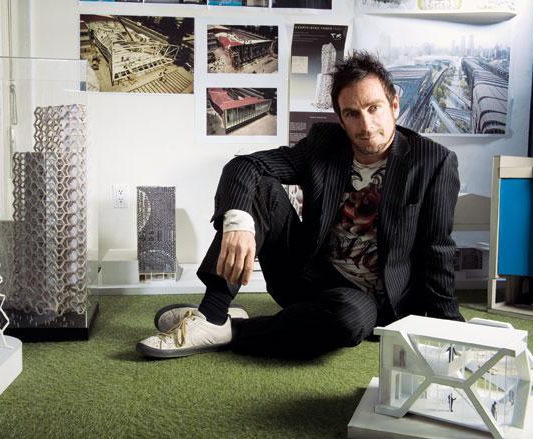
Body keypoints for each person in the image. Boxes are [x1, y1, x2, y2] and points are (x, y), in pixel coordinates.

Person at [136, 51, 464, 359]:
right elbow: (246, 166)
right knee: (260, 187)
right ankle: (212, 313)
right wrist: (237, 222)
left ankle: (228, 330)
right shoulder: (325, 144)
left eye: (374, 108)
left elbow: (438, 249)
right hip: (305, 278)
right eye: (352, 113)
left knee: (346, 321)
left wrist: (452, 331)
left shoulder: (432, 162)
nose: (365, 125)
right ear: (341, 119)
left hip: (367, 303)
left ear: (394, 105)